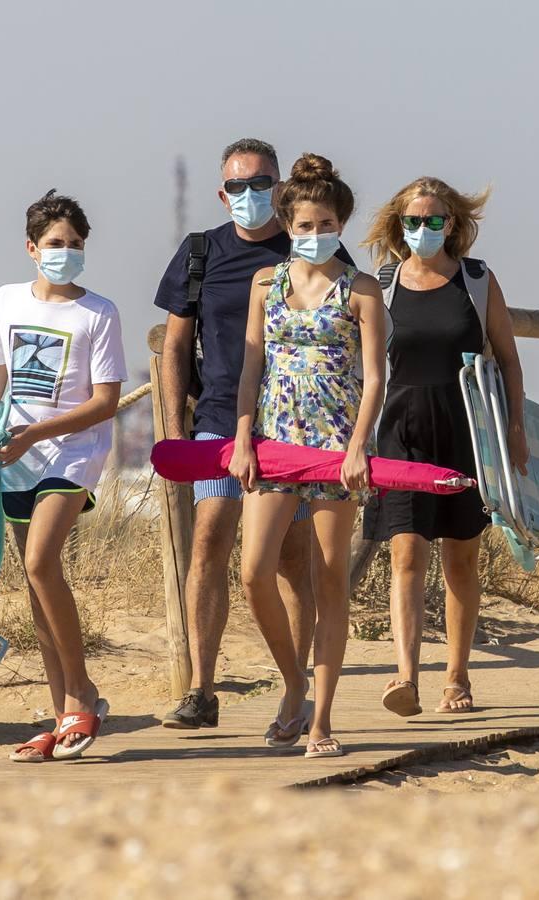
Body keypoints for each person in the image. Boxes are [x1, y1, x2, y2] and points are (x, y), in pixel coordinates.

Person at [153, 139, 352, 729]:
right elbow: (171, 345)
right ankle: (200, 688)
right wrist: (173, 425)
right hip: (217, 415)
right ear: (222, 192)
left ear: (281, 186)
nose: (249, 195)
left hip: (293, 423)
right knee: (211, 536)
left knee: (292, 558)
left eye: (261, 183)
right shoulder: (200, 253)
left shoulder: (306, 245)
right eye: (237, 186)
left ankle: (293, 689)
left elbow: (353, 328)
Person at [0, 190, 126, 762]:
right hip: (11, 457)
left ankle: (81, 694)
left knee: (39, 562)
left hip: (72, 455)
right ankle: (60, 717)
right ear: (32, 249)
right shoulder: (6, 300)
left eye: (76, 244)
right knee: (37, 584)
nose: (66, 253)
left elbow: (106, 402)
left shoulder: (98, 313)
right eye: (56, 244)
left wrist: (37, 433)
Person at [229, 153, 387, 758]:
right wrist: (244, 436)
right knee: (253, 571)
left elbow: (374, 378)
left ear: (340, 224)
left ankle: (320, 718)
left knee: (328, 580)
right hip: (275, 440)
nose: (314, 235)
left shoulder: (362, 289)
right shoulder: (264, 284)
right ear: (287, 225)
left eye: (325, 225)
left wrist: (357, 449)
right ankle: (292, 681)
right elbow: (252, 365)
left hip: (337, 448)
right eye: (303, 226)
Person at [360, 178, 528, 716]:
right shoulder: (381, 285)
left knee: (461, 557)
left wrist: (516, 430)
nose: (424, 230)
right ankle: (404, 674)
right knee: (405, 551)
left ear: (452, 224)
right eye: (414, 221)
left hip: (466, 430)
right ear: (398, 225)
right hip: (401, 428)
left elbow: (507, 357)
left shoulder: (477, 281)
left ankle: (457, 676)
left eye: (435, 221)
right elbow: (365, 369)